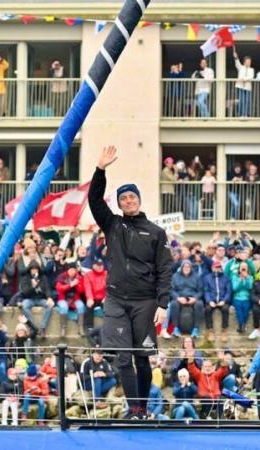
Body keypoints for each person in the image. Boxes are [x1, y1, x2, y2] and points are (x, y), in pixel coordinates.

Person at [88, 145, 171, 419]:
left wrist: (163, 303)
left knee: (142, 356)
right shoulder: (113, 225)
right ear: (120, 203)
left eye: (132, 197)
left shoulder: (156, 232)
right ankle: (133, 409)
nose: (128, 201)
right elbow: (95, 200)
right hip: (116, 299)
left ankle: (143, 408)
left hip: (145, 302)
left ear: (139, 200)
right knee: (123, 357)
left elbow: (164, 269)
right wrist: (100, 169)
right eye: (123, 199)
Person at [169, 259, 204, 338]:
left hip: (193, 297)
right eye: (184, 266)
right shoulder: (175, 276)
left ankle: (195, 329)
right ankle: (176, 328)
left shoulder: (197, 276)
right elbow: (171, 290)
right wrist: (178, 298)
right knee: (173, 304)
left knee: (199, 304)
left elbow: (201, 290)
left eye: (188, 266)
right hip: (180, 297)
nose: (186, 268)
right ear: (181, 267)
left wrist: (195, 298)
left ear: (191, 267)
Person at [187, 353, 229, 418]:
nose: (207, 368)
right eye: (205, 366)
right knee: (207, 398)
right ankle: (207, 416)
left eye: (209, 366)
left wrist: (222, 361)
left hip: (216, 398)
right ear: (202, 367)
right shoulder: (199, 375)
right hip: (205, 398)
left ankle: (221, 419)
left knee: (222, 399)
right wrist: (191, 359)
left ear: (212, 367)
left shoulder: (215, 375)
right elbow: (192, 368)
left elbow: (223, 370)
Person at [20, 261, 54, 338]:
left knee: (50, 305)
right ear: (29, 270)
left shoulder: (43, 277)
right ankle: (33, 327)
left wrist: (49, 297)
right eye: (32, 269)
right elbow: (25, 292)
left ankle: (42, 327)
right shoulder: (25, 278)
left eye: (36, 269)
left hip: (40, 299)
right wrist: (33, 287)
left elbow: (47, 289)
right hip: (30, 299)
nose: (34, 271)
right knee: (24, 305)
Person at [203, 260, 231, 343]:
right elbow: (206, 291)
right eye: (216, 267)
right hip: (212, 300)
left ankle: (224, 329)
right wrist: (209, 301)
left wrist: (224, 300)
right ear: (212, 268)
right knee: (207, 309)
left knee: (225, 309)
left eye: (219, 267)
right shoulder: (207, 278)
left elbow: (228, 291)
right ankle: (210, 330)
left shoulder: (226, 277)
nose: (217, 269)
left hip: (222, 300)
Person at [55, 262, 86, 337]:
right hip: (63, 298)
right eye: (71, 270)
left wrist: (77, 284)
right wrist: (70, 285)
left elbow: (82, 290)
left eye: (74, 270)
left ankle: (80, 327)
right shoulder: (62, 276)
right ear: (67, 270)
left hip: (75, 298)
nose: (72, 272)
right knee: (64, 307)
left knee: (81, 306)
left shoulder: (79, 277)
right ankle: (63, 328)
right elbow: (59, 289)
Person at [83, 258, 107, 335]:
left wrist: (107, 297)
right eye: (98, 265)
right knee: (89, 306)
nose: (100, 267)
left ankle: (109, 326)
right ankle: (89, 328)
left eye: (101, 265)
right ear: (93, 265)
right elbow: (87, 287)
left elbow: (110, 287)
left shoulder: (107, 274)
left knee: (109, 307)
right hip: (93, 298)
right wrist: (89, 298)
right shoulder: (88, 275)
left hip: (104, 298)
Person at [231, 263, 253, 334]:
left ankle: (242, 325)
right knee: (239, 308)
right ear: (239, 269)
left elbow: (249, 287)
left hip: (246, 297)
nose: (243, 269)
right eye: (242, 267)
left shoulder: (250, 277)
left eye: (245, 267)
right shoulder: (235, 277)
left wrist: (246, 278)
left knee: (246, 309)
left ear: (247, 269)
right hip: (237, 297)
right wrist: (240, 280)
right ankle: (242, 325)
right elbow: (235, 288)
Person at [233, 50, 254, 117]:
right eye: (247, 62)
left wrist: (244, 79)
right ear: (244, 62)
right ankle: (241, 114)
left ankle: (246, 114)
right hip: (240, 86)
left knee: (247, 101)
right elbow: (237, 63)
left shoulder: (252, 69)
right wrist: (236, 57)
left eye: (250, 62)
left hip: (247, 87)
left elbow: (251, 77)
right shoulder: (241, 67)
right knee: (241, 100)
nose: (249, 63)